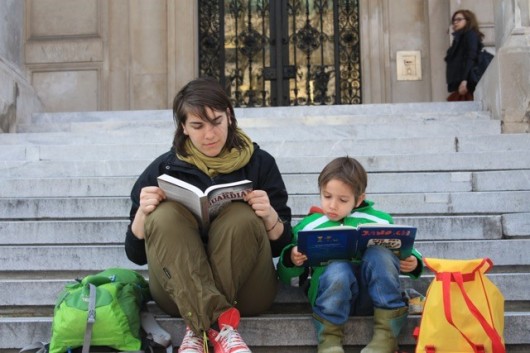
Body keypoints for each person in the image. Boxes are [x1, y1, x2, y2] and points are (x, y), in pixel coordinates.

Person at [124, 77, 292, 353]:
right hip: (176, 293)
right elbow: (136, 255)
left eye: (216, 121)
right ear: (183, 128)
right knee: (163, 216)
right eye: (197, 126)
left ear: (229, 116)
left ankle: (197, 327)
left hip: (247, 290)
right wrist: (144, 214)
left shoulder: (260, 164)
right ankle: (218, 326)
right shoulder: (162, 170)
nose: (209, 134)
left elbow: (282, 249)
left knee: (241, 215)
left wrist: (270, 217)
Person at [277, 157, 423, 353]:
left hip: (372, 297)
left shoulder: (379, 220)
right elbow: (290, 278)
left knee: (380, 253)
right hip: (330, 297)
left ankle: (386, 335)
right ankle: (329, 341)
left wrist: (412, 261)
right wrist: (292, 259)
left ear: (359, 198)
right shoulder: (310, 225)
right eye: (327, 196)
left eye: (343, 200)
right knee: (338, 268)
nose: (332, 205)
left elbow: (404, 245)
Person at [445, 9, 485, 101]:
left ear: (468, 20)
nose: (455, 22)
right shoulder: (459, 37)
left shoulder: (470, 35)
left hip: (467, 83)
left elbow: (471, 57)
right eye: (454, 20)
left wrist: (464, 80)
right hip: (461, 83)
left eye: (459, 19)